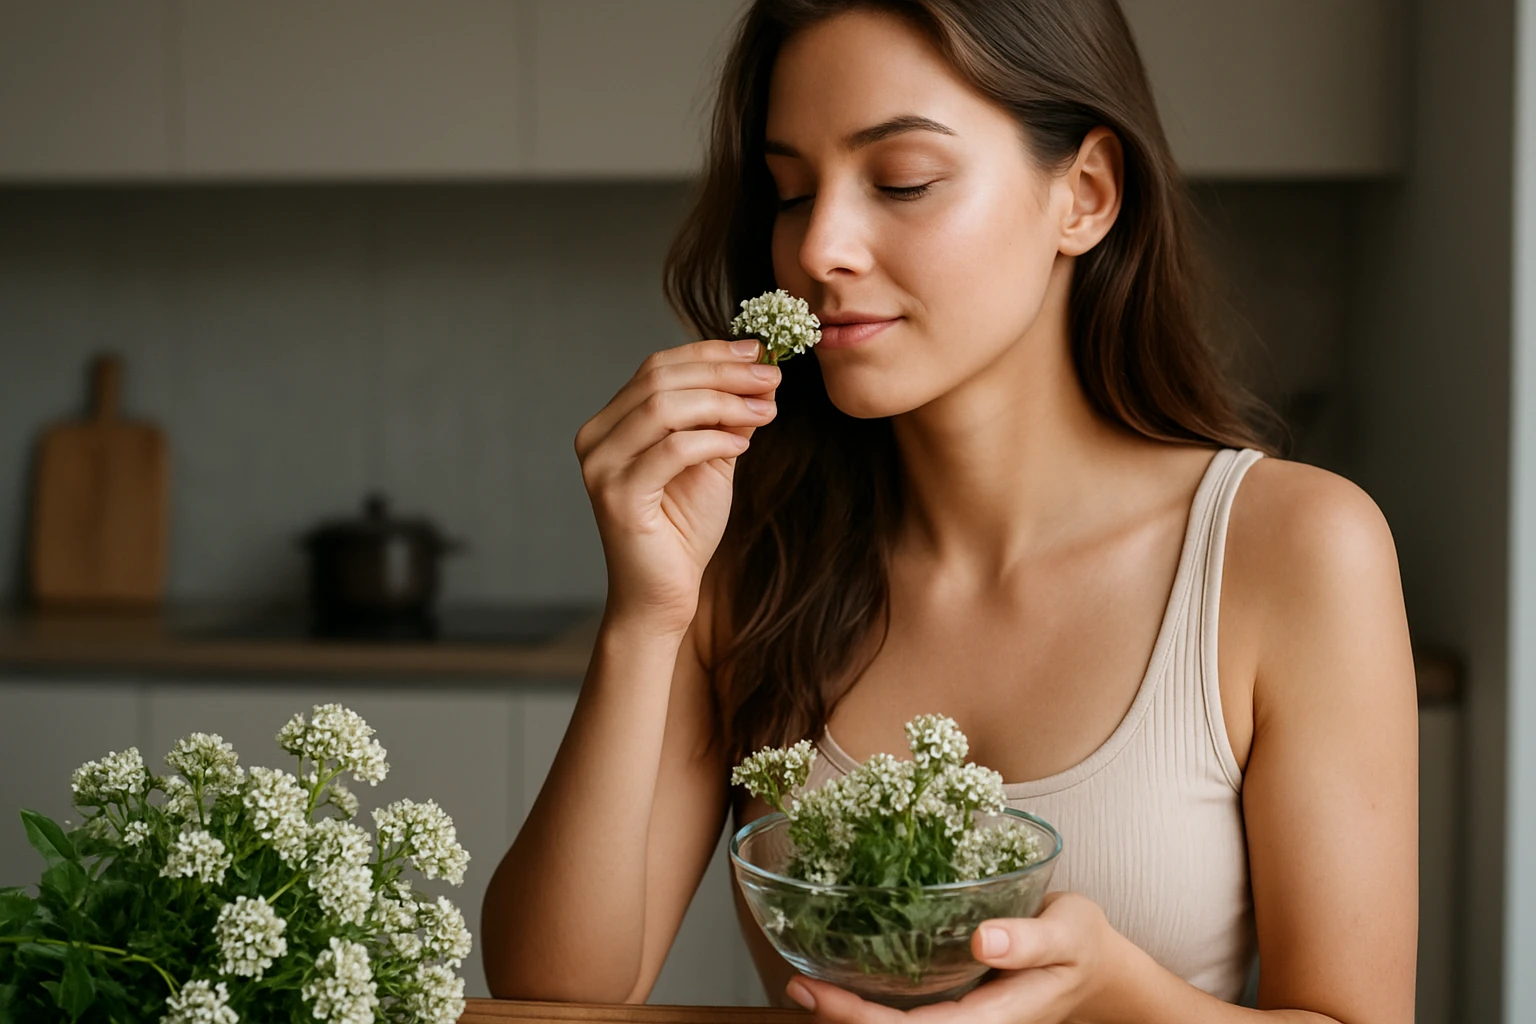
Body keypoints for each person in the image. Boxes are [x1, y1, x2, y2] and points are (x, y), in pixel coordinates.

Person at [480, 2, 1419, 1020]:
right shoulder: (749, 558)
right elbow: (551, 996)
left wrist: (1112, 990)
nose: (819, 248)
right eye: (791, 192)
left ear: (1086, 195)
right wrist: (644, 617)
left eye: (902, 182)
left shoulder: (1295, 549)